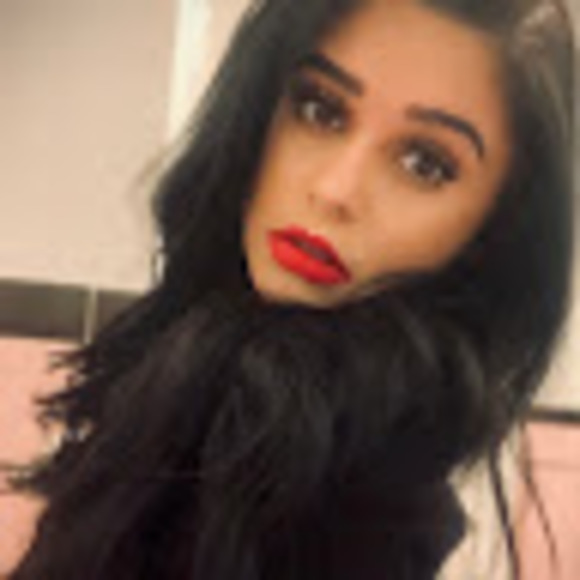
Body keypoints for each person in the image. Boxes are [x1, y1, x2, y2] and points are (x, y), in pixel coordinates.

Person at [5, 0, 575, 578]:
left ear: (491, 234)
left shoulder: (354, 505)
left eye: (424, 163)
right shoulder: (194, 371)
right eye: (320, 109)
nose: (334, 190)